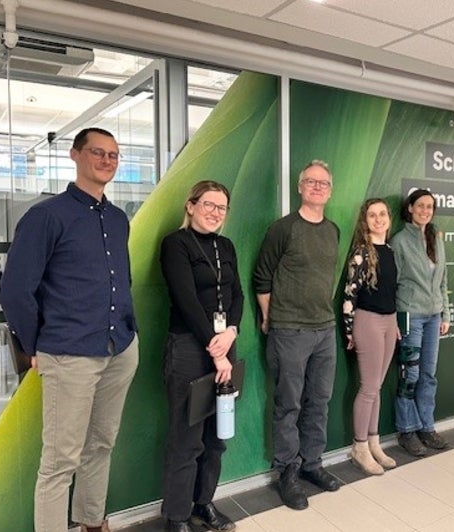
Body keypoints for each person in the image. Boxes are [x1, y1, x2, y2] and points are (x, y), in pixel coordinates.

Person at [0, 128, 139, 532]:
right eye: (98, 152)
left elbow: (121, 281)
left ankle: (92, 522)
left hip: (119, 348)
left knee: (102, 445)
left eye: (114, 154)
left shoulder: (116, 219)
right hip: (69, 353)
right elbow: (14, 291)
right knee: (60, 462)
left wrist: (130, 330)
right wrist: (34, 346)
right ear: (75, 155)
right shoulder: (47, 216)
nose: (107, 160)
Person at [253, 160, 341, 511]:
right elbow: (262, 277)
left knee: (318, 402)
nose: (317, 187)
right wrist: (268, 318)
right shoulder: (283, 228)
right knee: (289, 404)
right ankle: (287, 472)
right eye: (311, 181)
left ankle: (312, 465)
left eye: (323, 183)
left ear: (330, 190)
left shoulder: (333, 230)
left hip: (325, 329)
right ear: (300, 187)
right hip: (289, 329)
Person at [160, 181, 242, 532]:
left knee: (218, 434)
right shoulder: (175, 244)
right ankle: (176, 517)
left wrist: (233, 330)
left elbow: (236, 293)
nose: (215, 212)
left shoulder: (226, 245)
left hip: (226, 345)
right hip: (191, 349)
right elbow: (186, 300)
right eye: (208, 204)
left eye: (222, 208)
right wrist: (216, 348)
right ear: (191, 205)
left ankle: (203, 504)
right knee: (187, 438)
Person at [390, 188, 450, 456]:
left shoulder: (436, 238)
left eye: (430, 207)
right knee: (409, 375)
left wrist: (445, 313)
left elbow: (444, 278)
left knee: (428, 374)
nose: (426, 210)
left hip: (434, 314)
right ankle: (407, 430)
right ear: (410, 208)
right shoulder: (399, 241)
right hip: (408, 316)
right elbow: (393, 284)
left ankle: (427, 427)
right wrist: (394, 319)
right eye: (421, 206)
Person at [342, 198, 399, 475]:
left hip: (389, 322)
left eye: (383, 214)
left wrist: (395, 321)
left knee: (377, 386)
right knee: (368, 388)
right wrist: (350, 329)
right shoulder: (361, 253)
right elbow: (349, 294)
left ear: (389, 218)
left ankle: (374, 443)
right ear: (365, 221)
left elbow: (390, 291)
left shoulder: (389, 250)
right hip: (368, 322)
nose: (378, 219)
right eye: (372, 215)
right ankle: (360, 447)